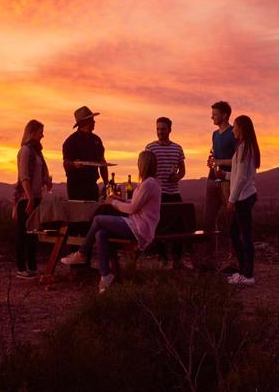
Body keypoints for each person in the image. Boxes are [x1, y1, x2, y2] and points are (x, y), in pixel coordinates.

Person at [60, 150, 161, 293]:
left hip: (139, 229)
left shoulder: (149, 183)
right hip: (136, 225)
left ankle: (82, 253)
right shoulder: (148, 183)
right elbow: (136, 202)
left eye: (139, 162)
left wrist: (113, 203)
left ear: (143, 164)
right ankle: (105, 275)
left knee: (98, 219)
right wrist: (121, 199)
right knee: (101, 233)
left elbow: (132, 209)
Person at [145, 117, 186, 267]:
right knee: (158, 227)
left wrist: (177, 176)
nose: (160, 132)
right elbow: (145, 169)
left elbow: (182, 170)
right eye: (158, 129)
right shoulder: (150, 148)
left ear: (170, 129)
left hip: (173, 192)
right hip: (157, 193)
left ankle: (177, 259)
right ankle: (162, 258)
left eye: (163, 129)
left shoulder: (177, 148)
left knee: (179, 226)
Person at [13, 119, 51, 279]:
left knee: (32, 233)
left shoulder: (37, 152)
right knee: (23, 232)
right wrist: (29, 198)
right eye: (40, 132)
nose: (42, 135)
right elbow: (24, 177)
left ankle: (32, 267)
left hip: (35, 197)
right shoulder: (26, 151)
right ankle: (22, 268)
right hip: (25, 198)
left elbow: (35, 175)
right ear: (32, 132)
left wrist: (45, 181)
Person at [202, 101, 237, 270]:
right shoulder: (215, 135)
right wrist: (211, 161)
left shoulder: (234, 133)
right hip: (212, 180)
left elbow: (239, 160)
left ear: (224, 115)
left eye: (215, 114)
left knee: (231, 220)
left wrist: (219, 161)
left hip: (228, 181)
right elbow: (214, 154)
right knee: (208, 220)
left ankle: (234, 260)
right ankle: (209, 259)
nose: (212, 117)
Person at [227, 115, 260, 286]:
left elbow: (241, 179)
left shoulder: (244, 148)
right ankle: (243, 270)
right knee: (234, 232)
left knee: (245, 236)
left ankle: (248, 275)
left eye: (235, 126)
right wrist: (224, 175)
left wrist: (232, 200)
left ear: (242, 128)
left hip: (242, 198)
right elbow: (240, 175)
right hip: (244, 196)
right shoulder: (245, 147)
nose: (233, 129)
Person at [62, 106, 108, 201]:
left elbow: (102, 163)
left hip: (92, 185)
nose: (94, 122)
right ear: (85, 123)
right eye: (92, 120)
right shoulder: (71, 141)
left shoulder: (96, 140)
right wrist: (74, 164)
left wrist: (106, 183)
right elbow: (66, 163)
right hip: (76, 186)